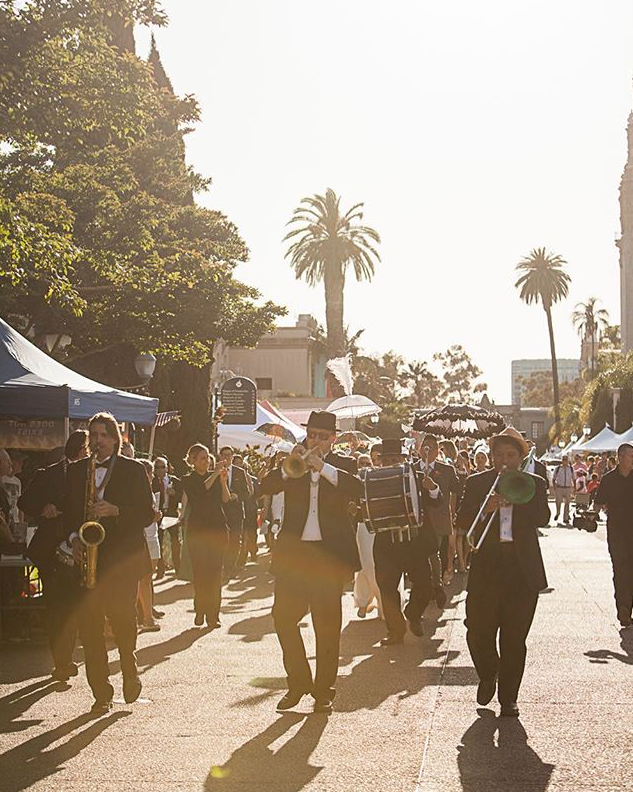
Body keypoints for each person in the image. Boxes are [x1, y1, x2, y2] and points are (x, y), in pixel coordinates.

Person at [259, 410, 361, 715]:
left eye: (321, 436)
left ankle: (323, 690)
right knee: (282, 617)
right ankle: (298, 681)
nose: (314, 441)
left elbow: (357, 489)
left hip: (327, 557)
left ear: (333, 439)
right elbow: (264, 488)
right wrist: (290, 469)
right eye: (311, 434)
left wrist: (323, 467)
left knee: (327, 626)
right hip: (295, 556)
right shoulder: (293, 463)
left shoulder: (343, 465)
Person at [65, 413, 155, 714]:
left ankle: (129, 666)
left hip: (122, 559)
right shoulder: (78, 470)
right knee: (90, 628)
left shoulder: (133, 469)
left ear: (116, 439)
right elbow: (69, 513)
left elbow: (146, 513)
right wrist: (74, 538)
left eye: (104, 435)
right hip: (89, 558)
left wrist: (116, 510)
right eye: (94, 435)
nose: (98, 440)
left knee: (122, 620)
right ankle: (101, 692)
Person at [456, 427, 549, 717]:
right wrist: (486, 509)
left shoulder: (534, 483)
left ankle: (509, 698)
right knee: (476, 630)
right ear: (492, 457)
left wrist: (518, 500)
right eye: (499, 456)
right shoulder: (476, 482)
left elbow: (543, 518)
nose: (504, 462)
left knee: (514, 638)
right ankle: (488, 672)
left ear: (521, 458)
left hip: (521, 571)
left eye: (511, 456)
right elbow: (462, 520)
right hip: (486, 568)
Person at [18, 431, 89, 680]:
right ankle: (61, 661)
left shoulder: (91, 475)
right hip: (50, 550)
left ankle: (65, 658)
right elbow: (23, 503)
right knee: (56, 606)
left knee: (71, 606)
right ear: (81, 450)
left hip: (80, 549)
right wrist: (42, 508)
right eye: (87, 450)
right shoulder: (47, 474)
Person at [372, 437, 439, 645]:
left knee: (425, 586)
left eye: (395, 458)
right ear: (381, 462)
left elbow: (436, 500)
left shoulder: (416, 476)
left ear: (402, 458)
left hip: (413, 543)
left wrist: (433, 488)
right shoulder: (373, 480)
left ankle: (413, 614)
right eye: (387, 459)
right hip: (386, 545)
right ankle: (395, 631)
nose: (391, 462)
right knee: (387, 590)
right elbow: (364, 505)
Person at [181, 445, 231, 628]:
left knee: (215, 574)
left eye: (207, 458)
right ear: (193, 461)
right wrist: (215, 475)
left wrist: (224, 482)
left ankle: (213, 615)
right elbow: (200, 494)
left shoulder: (216, 477)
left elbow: (225, 499)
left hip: (217, 528)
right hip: (198, 531)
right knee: (201, 573)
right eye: (202, 458)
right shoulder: (188, 479)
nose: (206, 461)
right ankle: (200, 609)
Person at [594, 443, 633, 627]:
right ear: (620, 457)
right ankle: (624, 612)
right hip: (617, 532)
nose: (632, 460)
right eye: (630, 456)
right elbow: (598, 502)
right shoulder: (609, 479)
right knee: (621, 571)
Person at [416, 434, 459, 585]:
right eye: (424, 447)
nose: (427, 450)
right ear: (420, 450)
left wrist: (452, 511)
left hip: (438, 518)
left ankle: (436, 584)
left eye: (431, 447)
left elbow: (456, 490)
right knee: (419, 554)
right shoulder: (411, 469)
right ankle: (421, 584)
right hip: (417, 519)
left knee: (434, 552)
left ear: (437, 451)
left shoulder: (447, 470)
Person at [218, 446, 250, 579]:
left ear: (232, 456)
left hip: (236, 512)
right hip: (221, 511)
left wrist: (237, 496)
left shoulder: (239, 472)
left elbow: (247, 493)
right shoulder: (216, 471)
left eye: (229, 455)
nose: (226, 457)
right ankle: (223, 566)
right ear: (220, 456)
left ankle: (231, 567)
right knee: (222, 540)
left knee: (235, 540)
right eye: (224, 455)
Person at [138, 460, 162, 632]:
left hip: (152, 537)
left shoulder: (150, 492)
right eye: (151, 473)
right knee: (143, 579)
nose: (153, 476)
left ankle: (146, 614)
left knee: (148, 578)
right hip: (143, 538)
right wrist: (152, 516)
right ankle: (145, 617)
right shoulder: (137, 492)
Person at [152, 457, 182, 578]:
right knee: (158, 541)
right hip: (158, 514)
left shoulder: (173, 481)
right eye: (157, 467)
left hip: (171, 514)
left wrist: (174, 494)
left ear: (167, 468)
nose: (160, 470)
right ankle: (161, 570)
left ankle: (178, 568)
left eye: (162, 467)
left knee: (175, 541)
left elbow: (182, 495)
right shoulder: (152, 481)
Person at [553, 455, 575, 525]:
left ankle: (566, 518)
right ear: (562, 461)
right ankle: (558, 513)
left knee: (567, 503)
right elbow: (554, 478)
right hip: (559, 487)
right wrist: (554, 487)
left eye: (566, 460)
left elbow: (573, 478)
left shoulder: (571, 468)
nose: (565, 461)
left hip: (568, 487)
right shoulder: (558, 468)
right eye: (564, 460)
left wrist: (574, 488)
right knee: (558, 502)